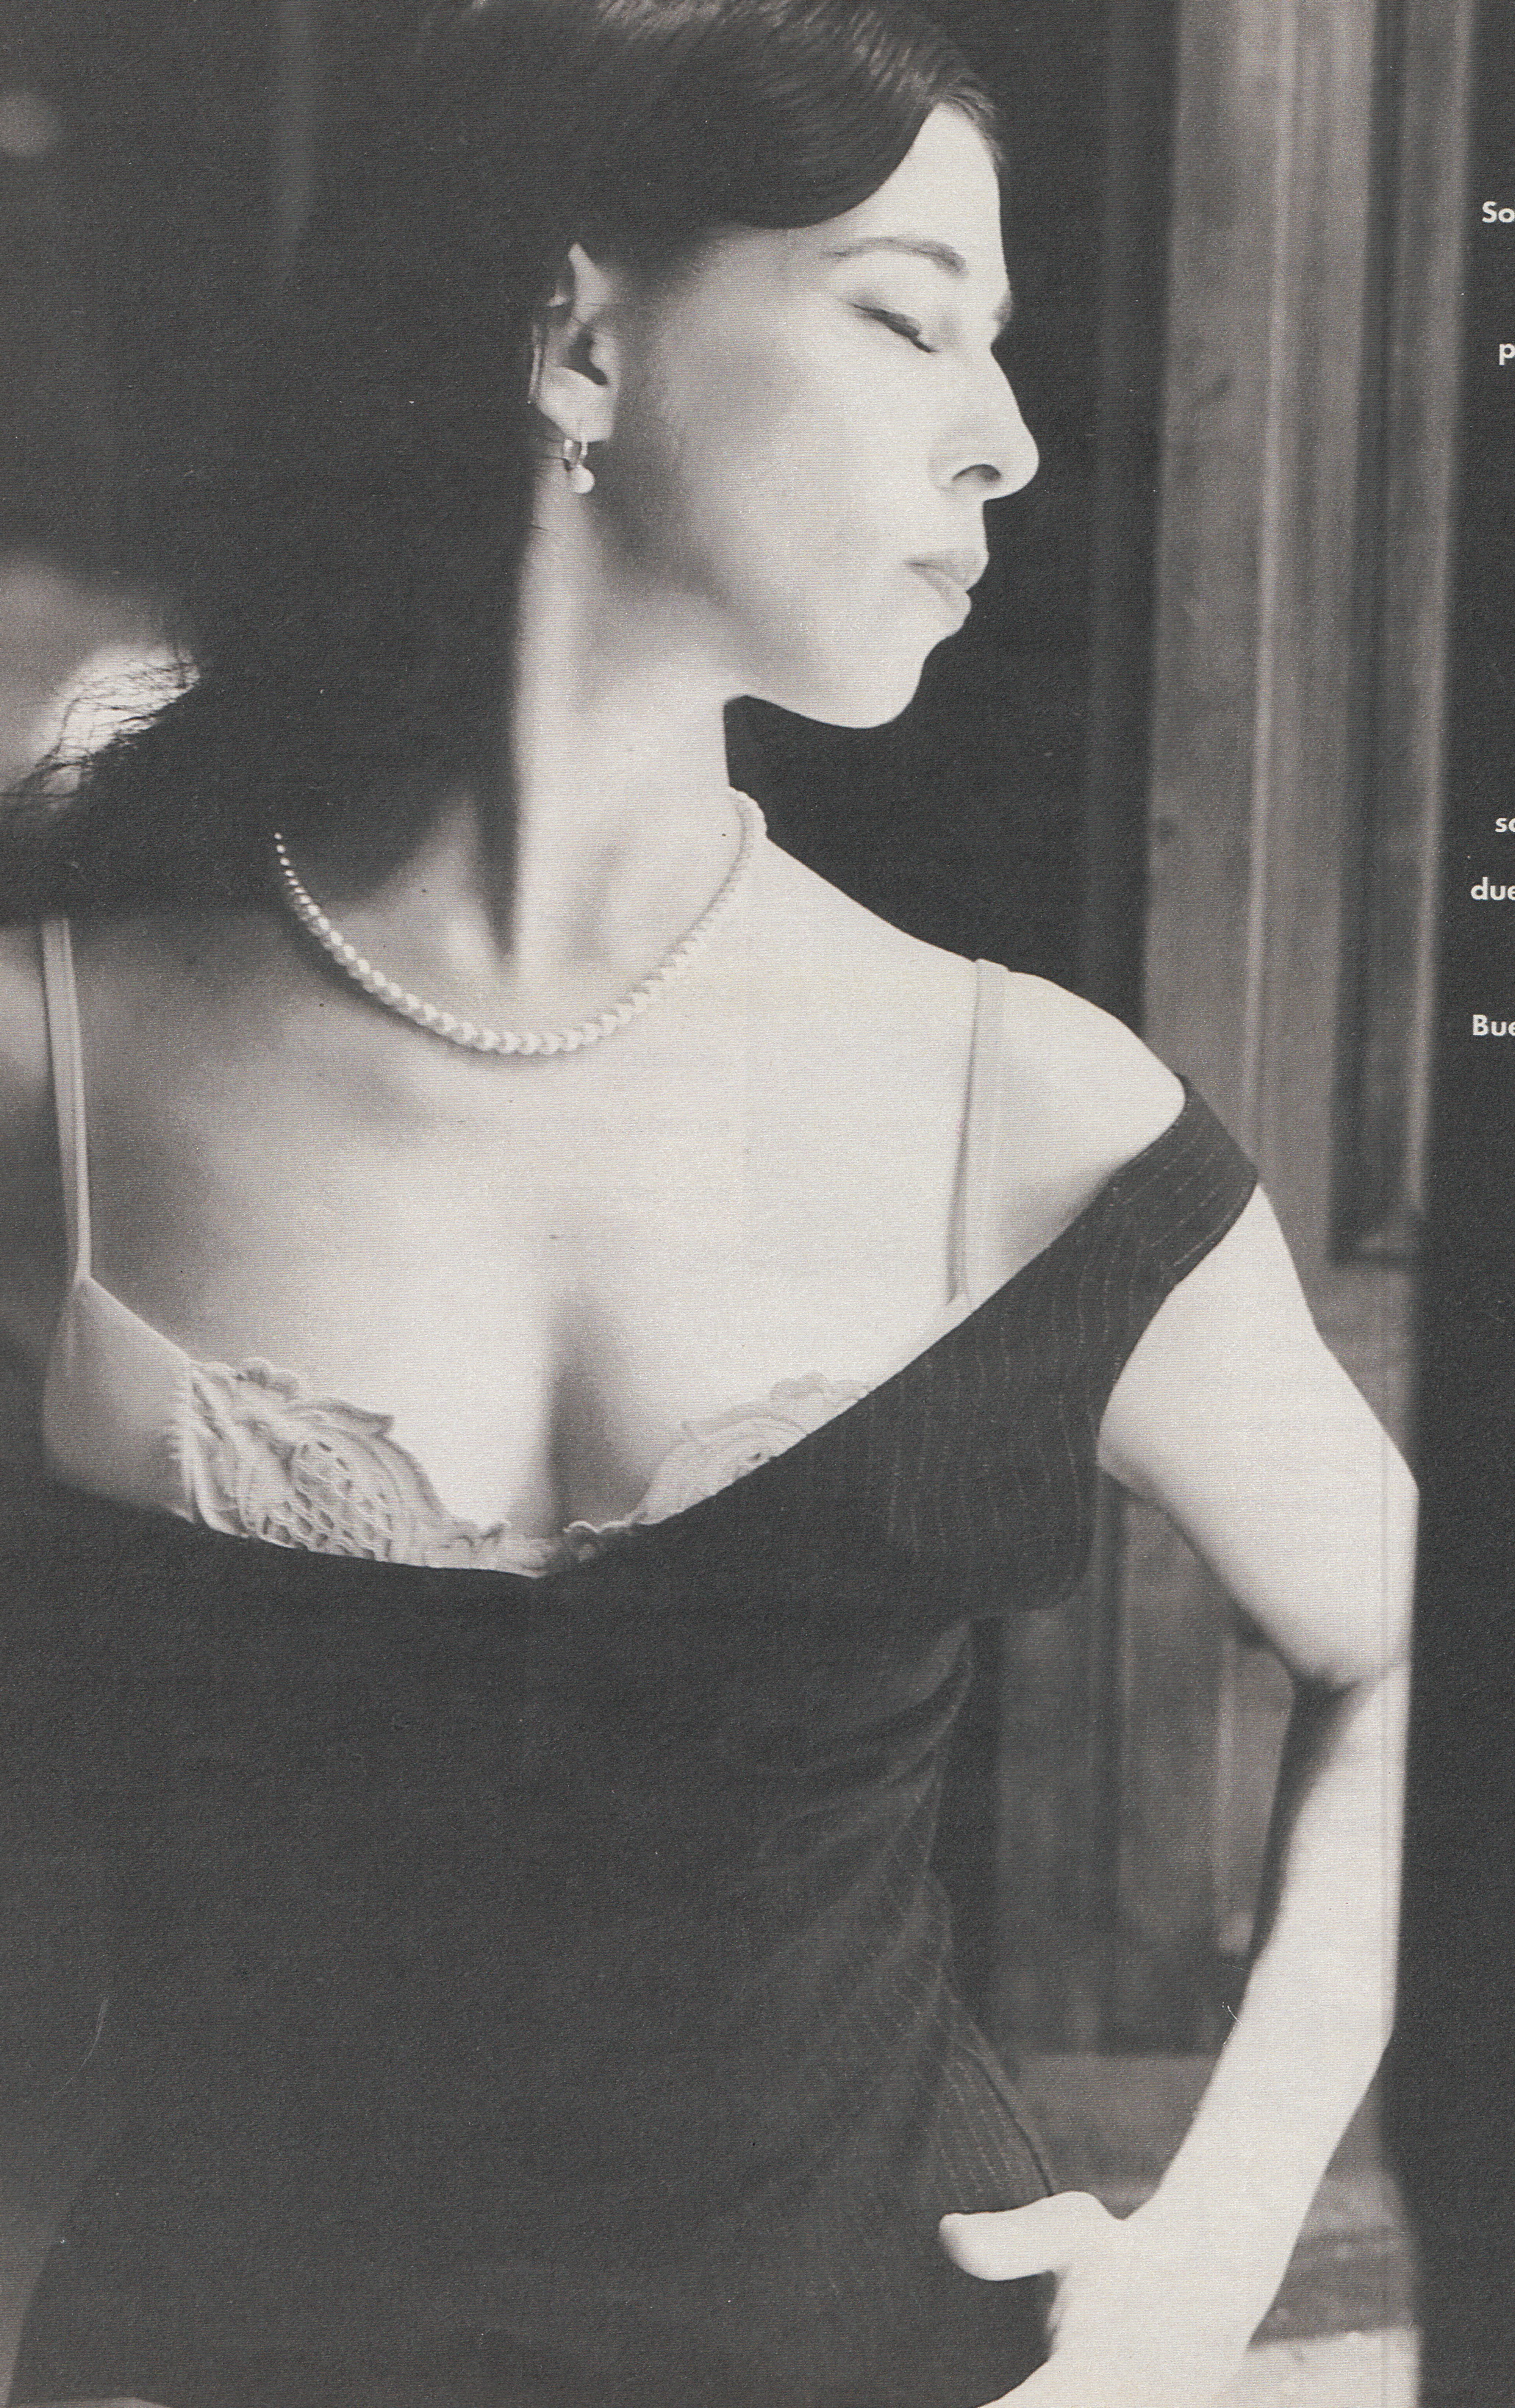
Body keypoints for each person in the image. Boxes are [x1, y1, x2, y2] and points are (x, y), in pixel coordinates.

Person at [0, 3, 1414, 2402]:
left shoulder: (1021, 1112)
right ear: (579, 339)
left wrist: (1220, 2230)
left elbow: (1421, 1648)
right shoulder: (53, 1062)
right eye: (909, 318)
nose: (1006, 438)